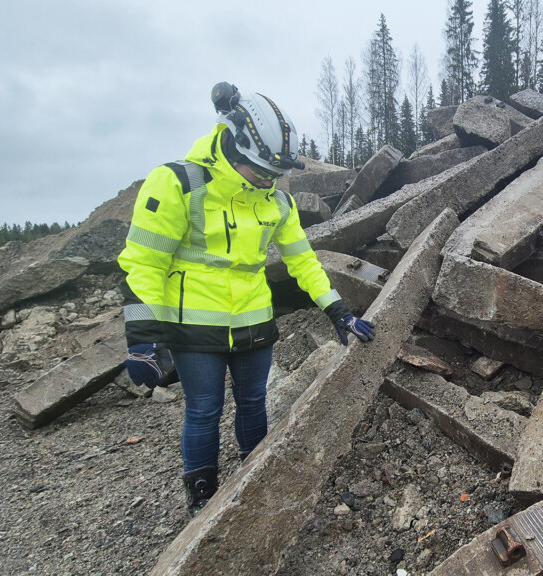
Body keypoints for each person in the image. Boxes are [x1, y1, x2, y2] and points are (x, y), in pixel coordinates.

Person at [117, 82, 376, 518]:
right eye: (262, 171)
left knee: (254, 401)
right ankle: (202, 501)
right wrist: (142, 338)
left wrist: (339, 311)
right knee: (203, 410)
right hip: (194, 324)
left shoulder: (277, 200)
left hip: (254, 320)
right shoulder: (178, 183)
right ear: (232, 149)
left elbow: (303, 261)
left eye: (277, 173)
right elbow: (143, 264)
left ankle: (254, 480)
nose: (270, 180)